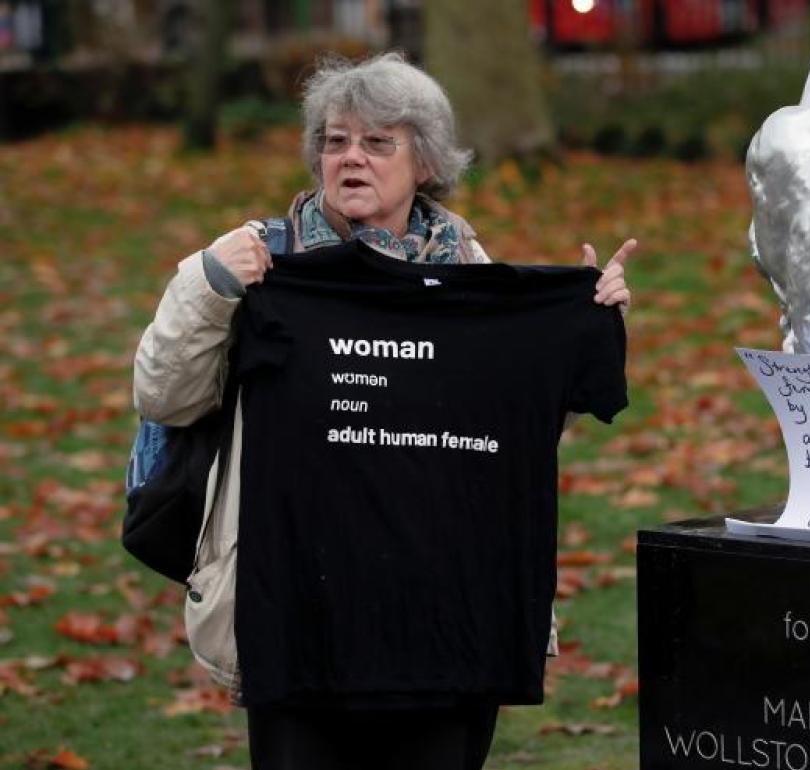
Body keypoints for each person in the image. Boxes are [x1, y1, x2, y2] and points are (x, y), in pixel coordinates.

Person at [132, 52, 635, 770]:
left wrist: (583, 324)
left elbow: (513, 432)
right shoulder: (261, 265)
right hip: (298, 610)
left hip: (446, 612)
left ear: (425, 162)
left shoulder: (473, 277)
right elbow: (164, 396)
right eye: (335, 141)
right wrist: (210, 286)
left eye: (377, 142)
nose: (351, 158)